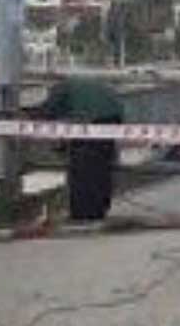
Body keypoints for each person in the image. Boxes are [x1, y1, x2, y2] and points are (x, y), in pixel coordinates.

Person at [34, 76, 125, 221]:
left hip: (91, 122)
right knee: (103, 167)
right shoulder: (83, 84)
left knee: (81, 169)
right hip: (113, 118)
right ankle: (100, 209)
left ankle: (82, 212)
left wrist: (32, 119)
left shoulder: (61, 88)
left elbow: (47, 111)